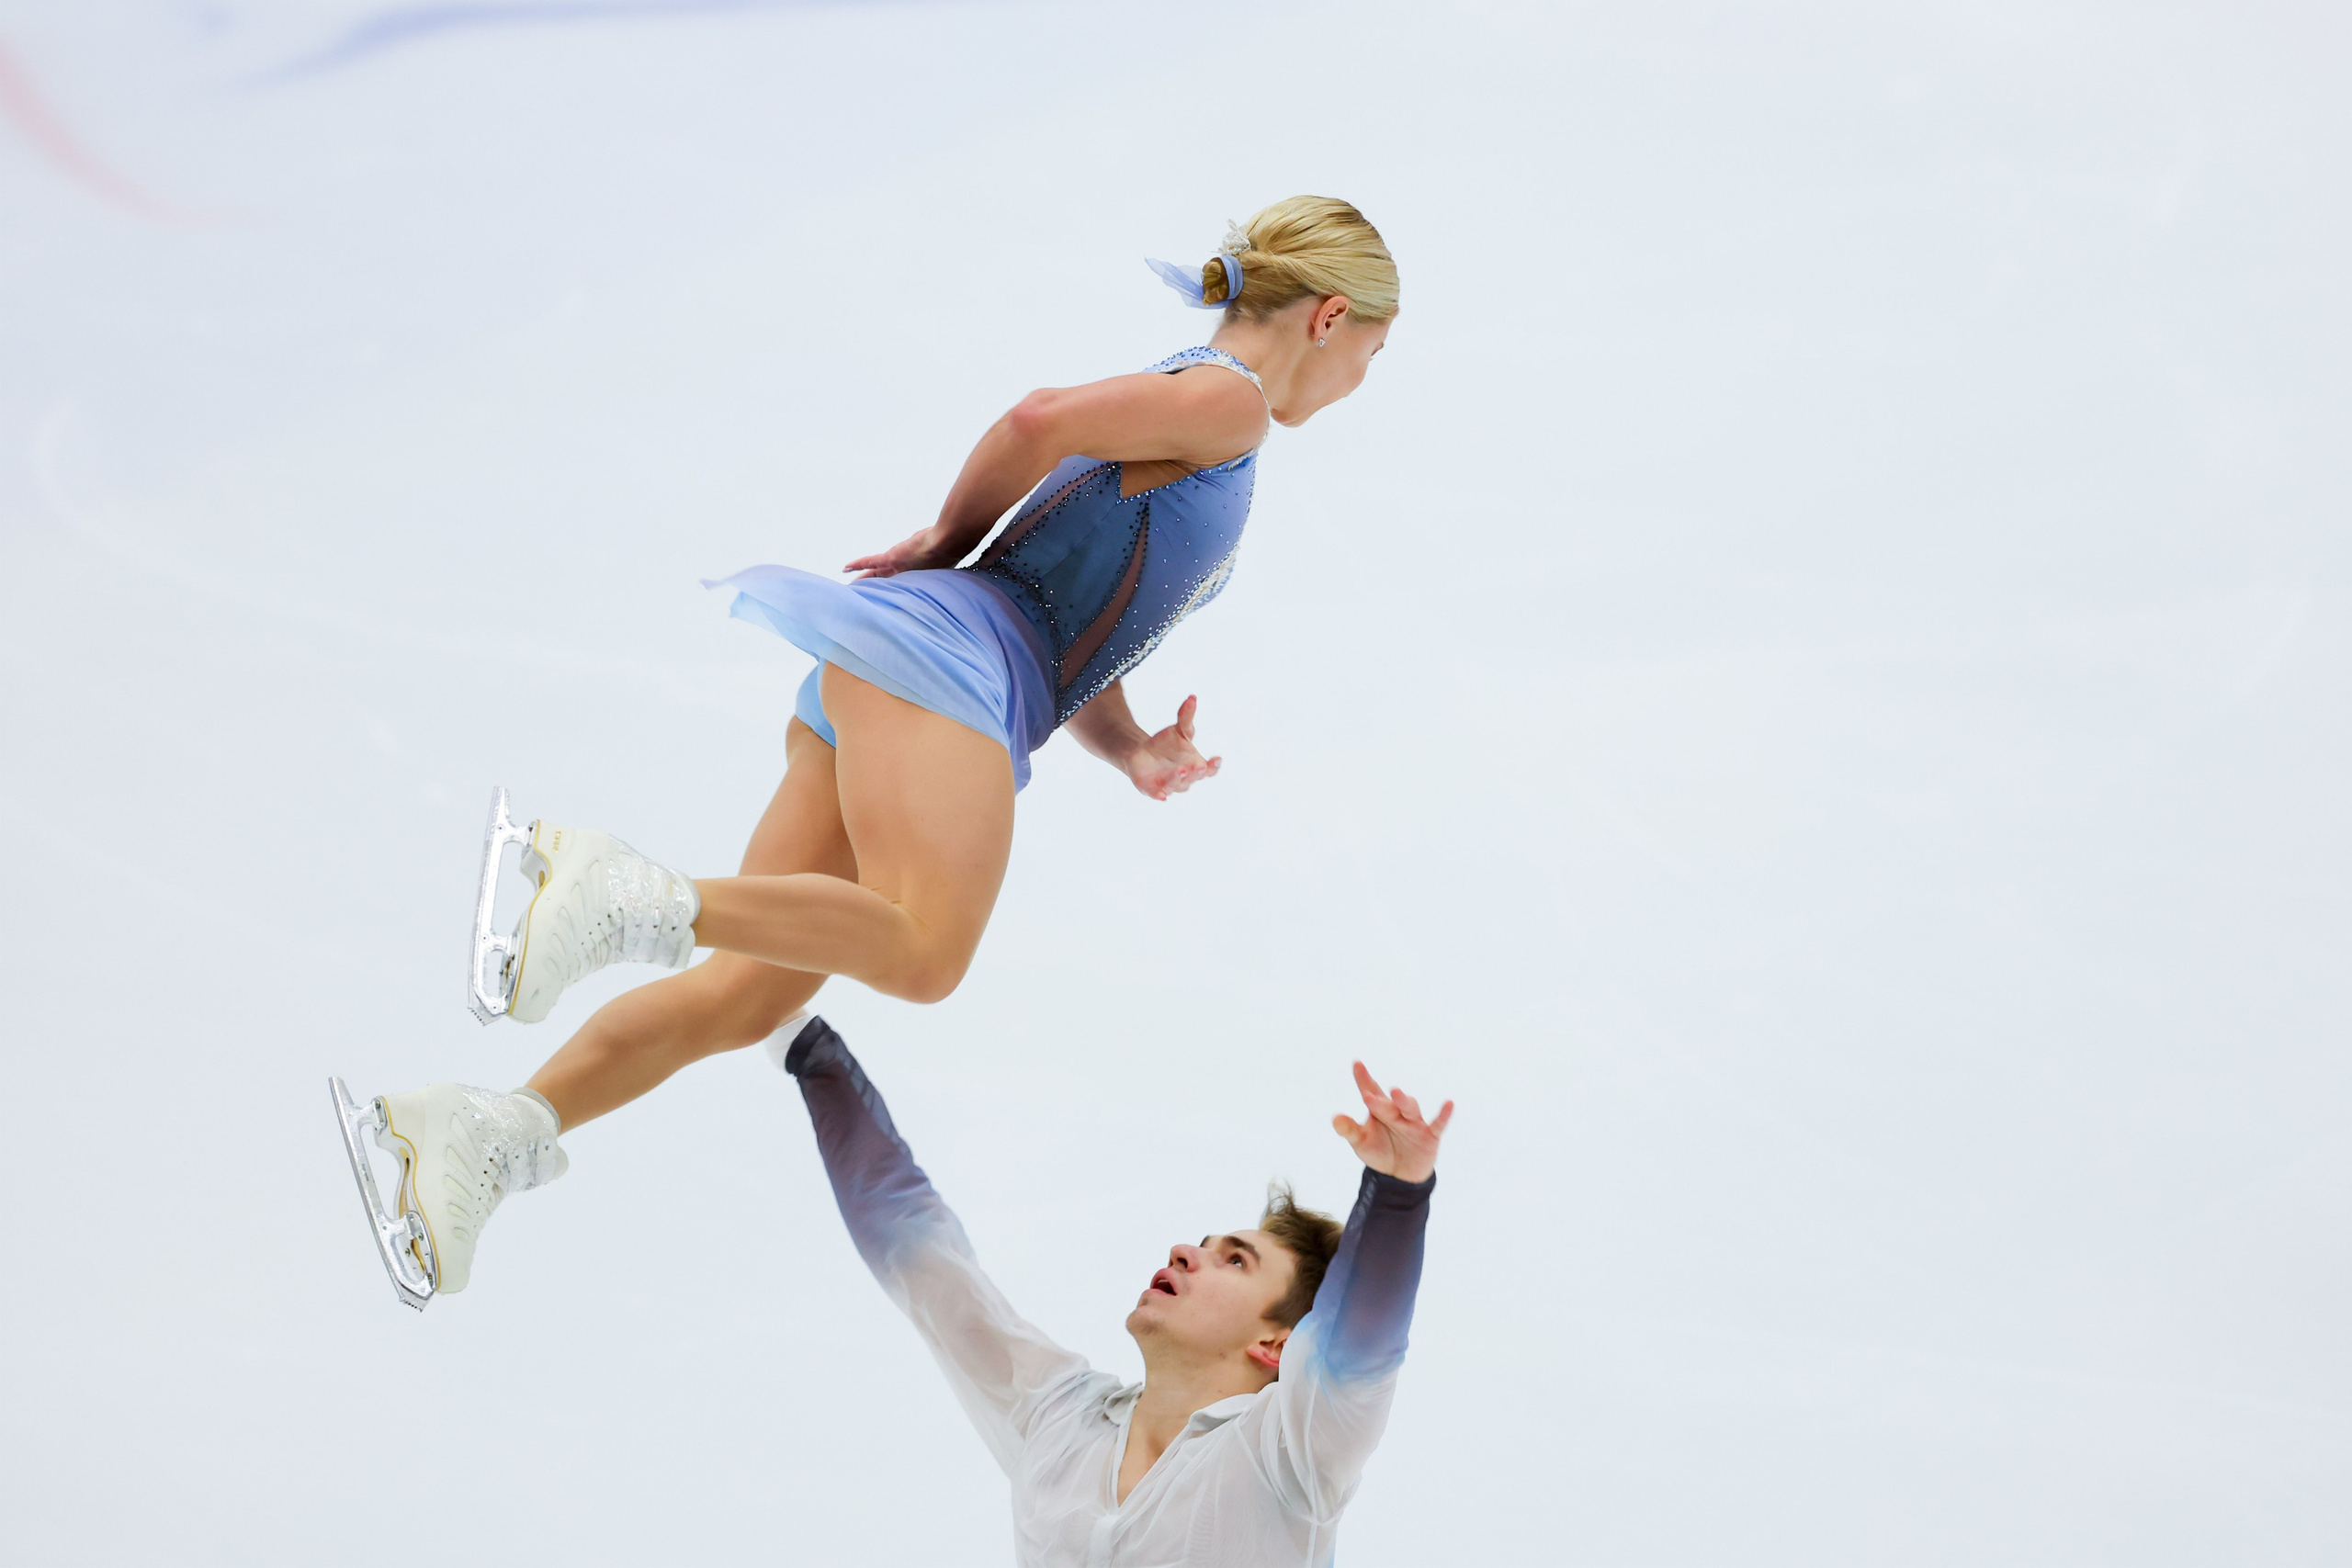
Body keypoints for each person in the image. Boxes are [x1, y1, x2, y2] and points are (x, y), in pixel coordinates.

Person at [332, 197, 1401, 1303]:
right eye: (1372, 354)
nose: (1363, 381)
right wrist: (944, 543)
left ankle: (487, 1133)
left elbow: (1065, 601)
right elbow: (1037, 421)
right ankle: (623, 892)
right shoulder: (1230, 409)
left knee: (744, 995)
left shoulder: (1192, 398)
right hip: (941, 672)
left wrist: (1125, 743)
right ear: (1327, 319)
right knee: (927, 953)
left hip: (911, 671)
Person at [780, 1013, 1450, 1566]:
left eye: (1235, 1261)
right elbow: (925, 1258)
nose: (1186, 1251)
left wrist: (1395, 1194)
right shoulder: (1056, 1417)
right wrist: (798, 1039)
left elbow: (1357, 1345)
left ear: (1278, 1343)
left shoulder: (1291, 1453)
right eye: (1204, 1244)